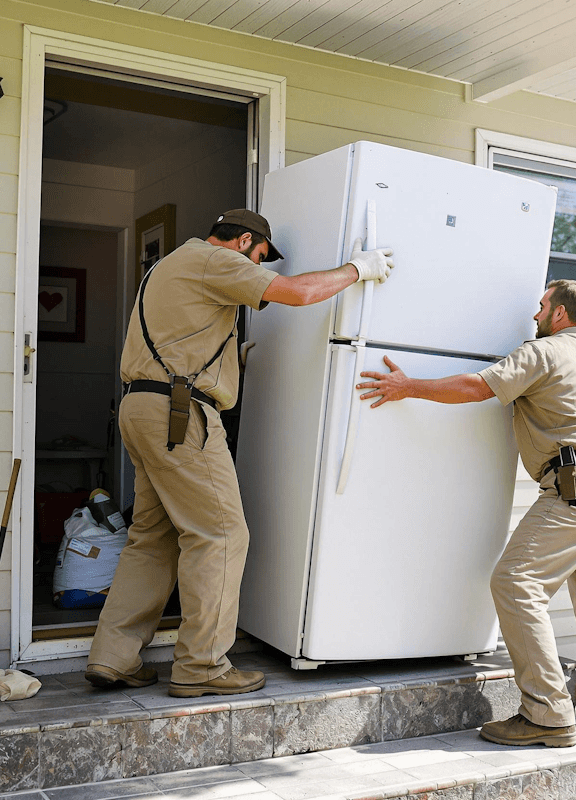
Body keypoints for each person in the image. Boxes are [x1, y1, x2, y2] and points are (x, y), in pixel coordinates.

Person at [85, 208, 394, 697]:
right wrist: (359, 269)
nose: (260, 268)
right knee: (222, 535)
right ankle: (202, 667)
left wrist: (234, 361)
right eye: (261, 257)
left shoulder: (167, 266)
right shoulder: (214, 260)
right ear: (245, 240)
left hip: (142, 407)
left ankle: (113, 656)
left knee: (153, 537)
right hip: (180, 415)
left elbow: (182, 338)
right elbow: (297, 293)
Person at [355, 279, 576, 746]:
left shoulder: (543, 351)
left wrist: (407, 386)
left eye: (541, 307)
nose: (534, 316)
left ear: (558, 315)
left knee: (516, 582)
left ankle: (547, 714)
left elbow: (477, 386)